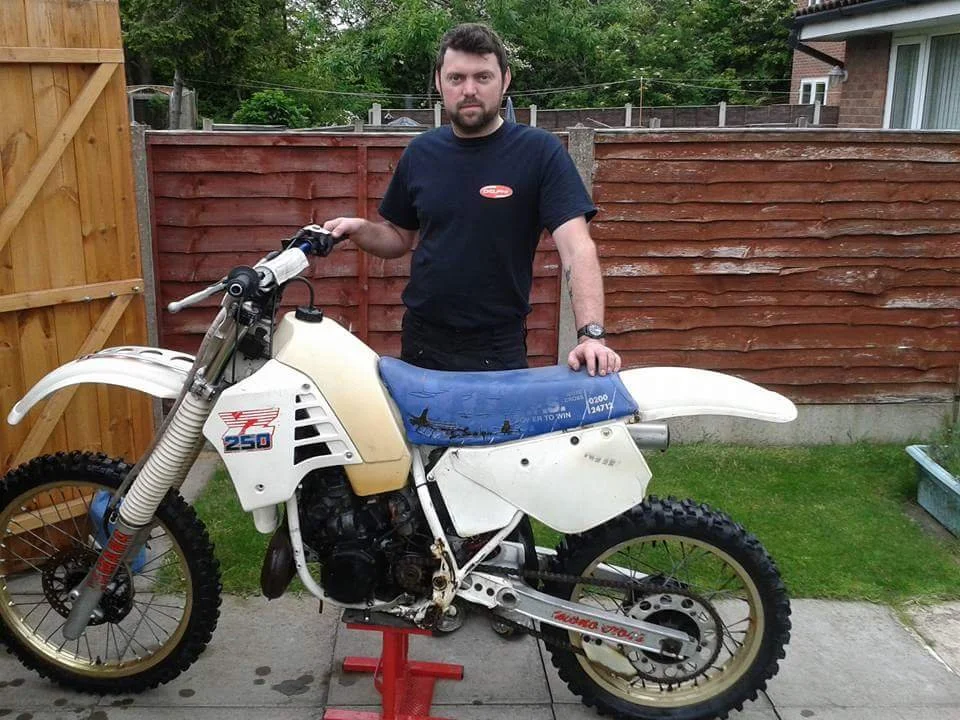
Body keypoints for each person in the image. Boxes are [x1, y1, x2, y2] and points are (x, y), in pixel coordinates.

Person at [324, 23, 621, 377]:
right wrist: (361, 229)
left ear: (505, 79)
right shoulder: (421, 153)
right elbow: (398, 239)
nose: (469, 90)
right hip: (422, 339)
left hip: (497, 345)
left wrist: (591, 335)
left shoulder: (539, 152)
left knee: (503, 433)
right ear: (439, 82)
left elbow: (577, 247)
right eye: (456, 78)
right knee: (418, 432)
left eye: (482, 77)